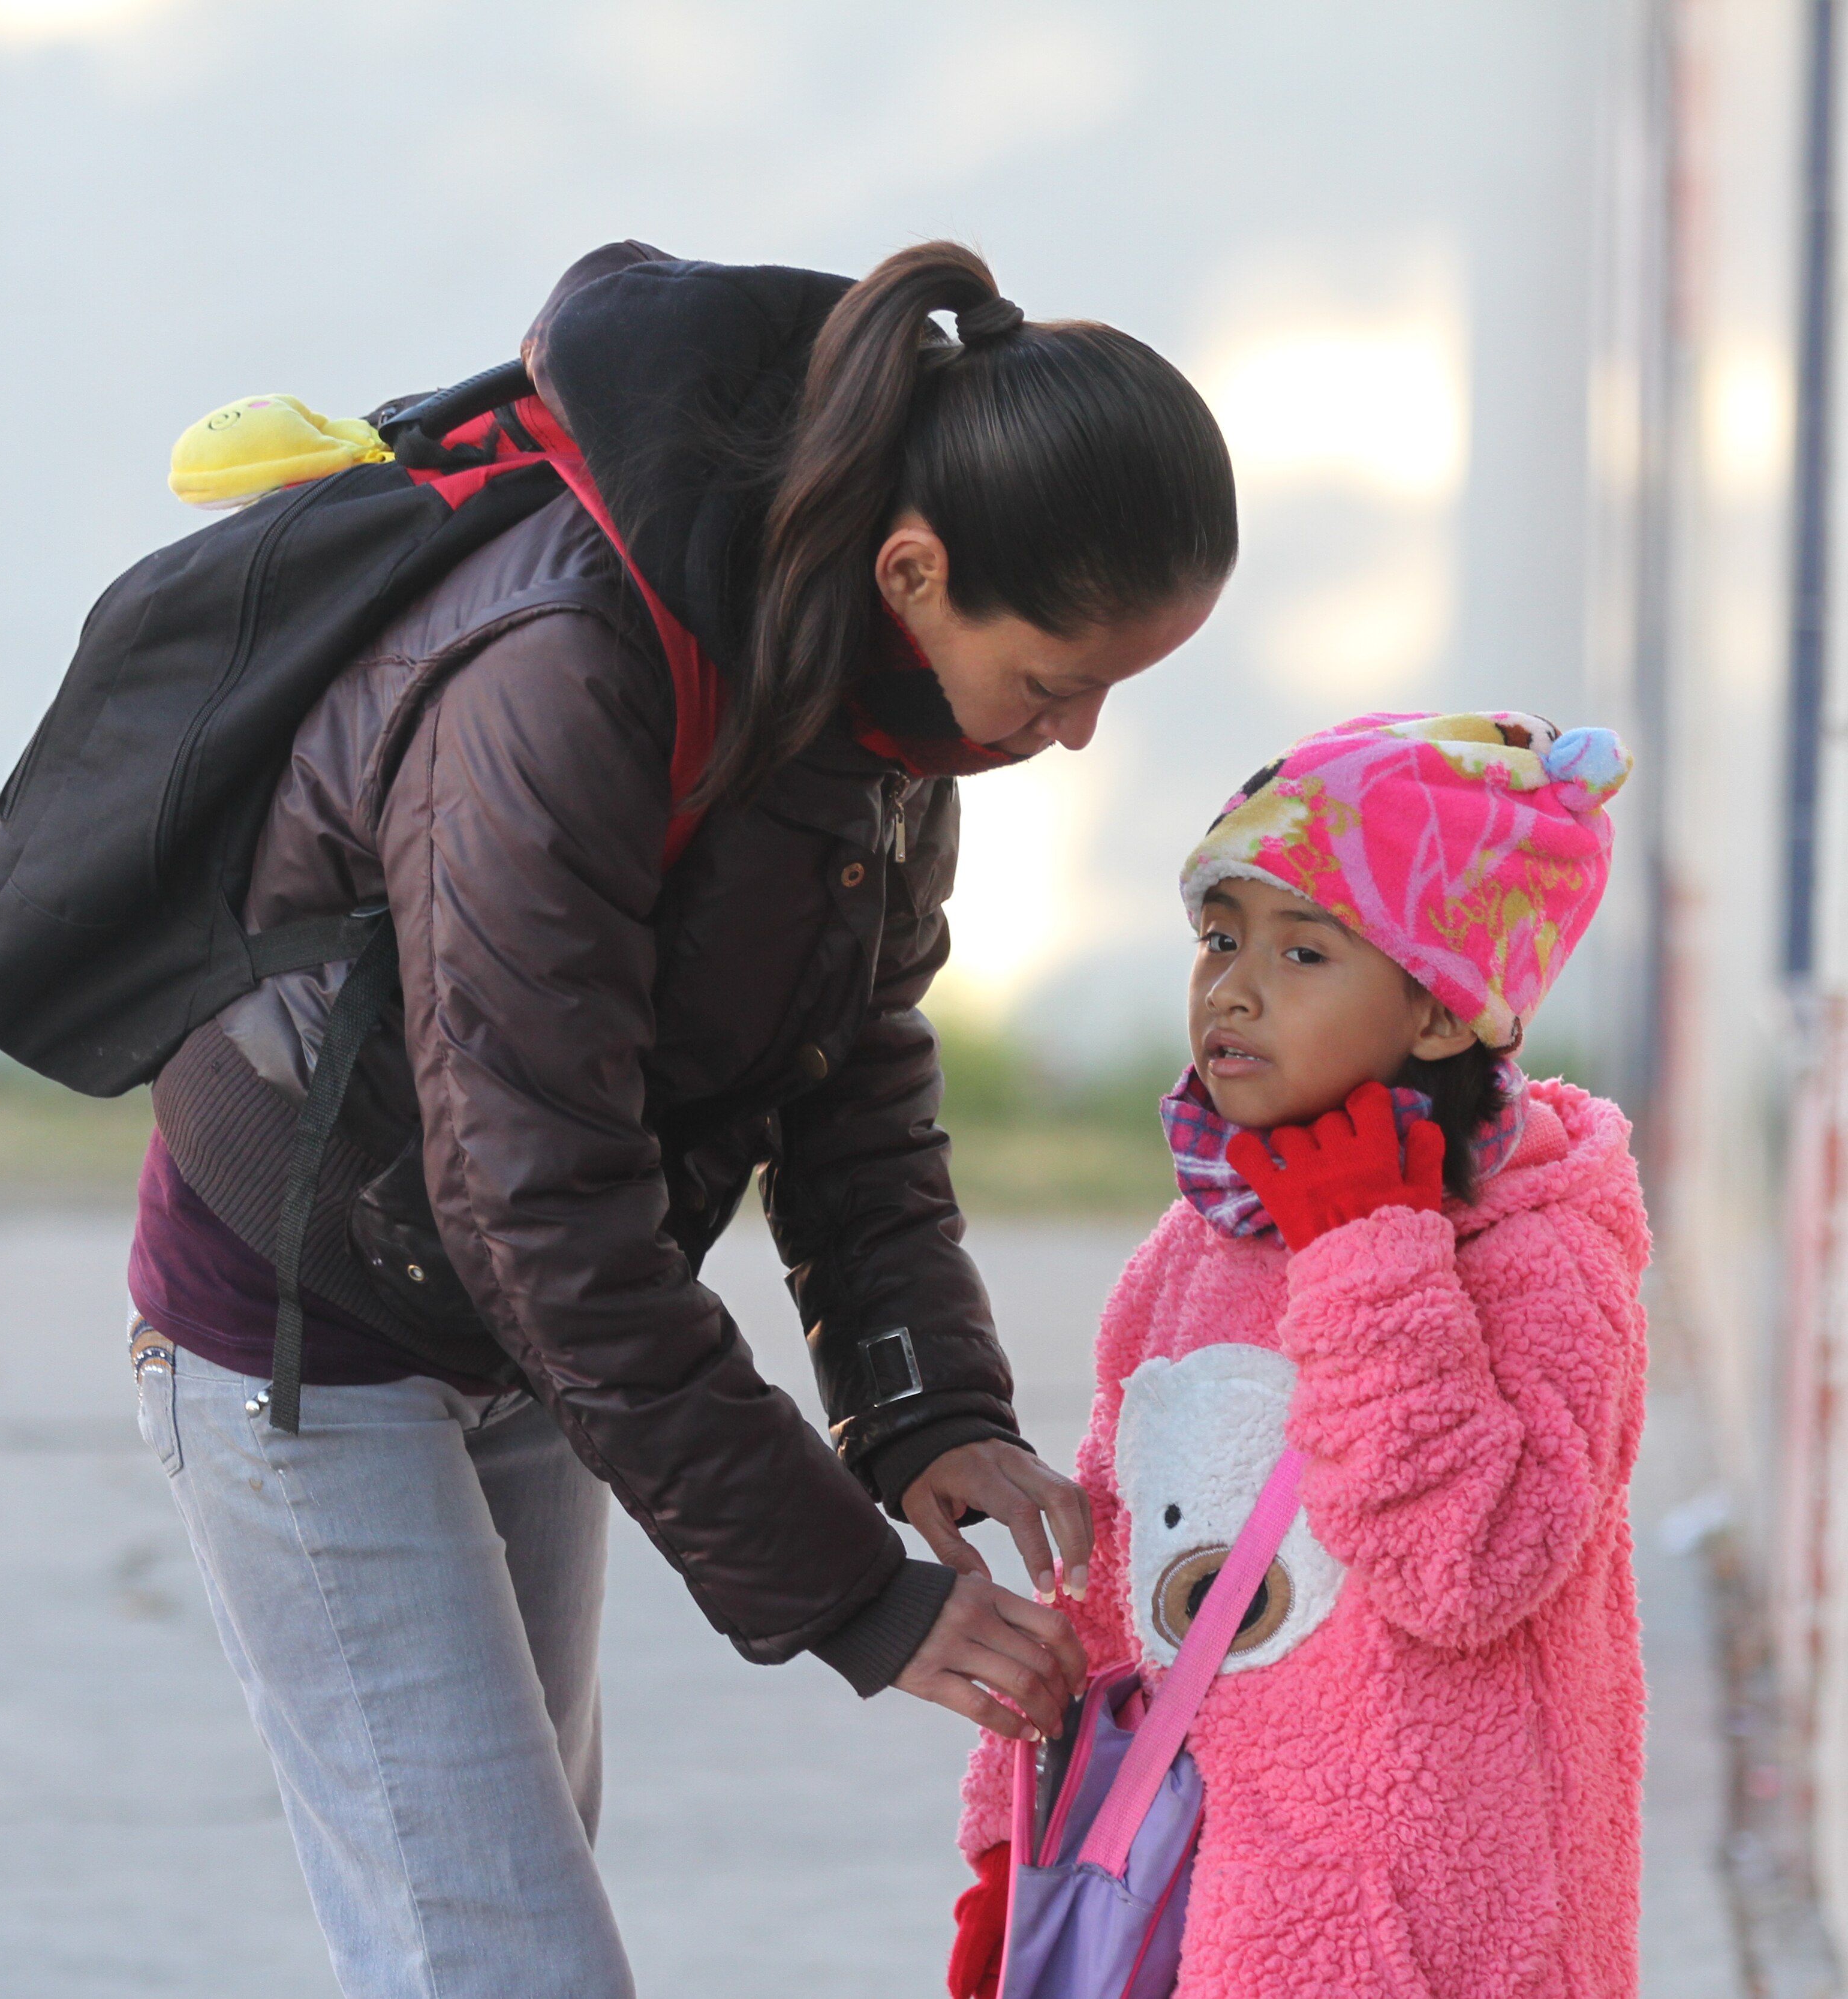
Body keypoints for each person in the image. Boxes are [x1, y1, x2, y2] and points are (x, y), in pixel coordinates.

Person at [121, 239, 1237, 1998]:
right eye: (1056, 679)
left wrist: (918, 1401)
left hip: (526, 1326)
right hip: (310, 1324)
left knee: (507, 1885)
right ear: (916, 566)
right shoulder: (565, 668)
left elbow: (853, 1063)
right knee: (502, 1956)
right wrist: (861, 1597)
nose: (1080, 735)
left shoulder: (881, 700)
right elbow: (536, 1192)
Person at [946, 714, 1653, 1999]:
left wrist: (1368, 1244)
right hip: (1189, 1906)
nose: (1233, 986)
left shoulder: (1544, 1256)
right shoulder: (1200, 1236)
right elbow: (1114, 1575)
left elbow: (1468, 1565)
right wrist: (1013, 1837)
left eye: (1302, 948)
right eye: (1220, 936)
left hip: (1427, 1935)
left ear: (1442, 1011)